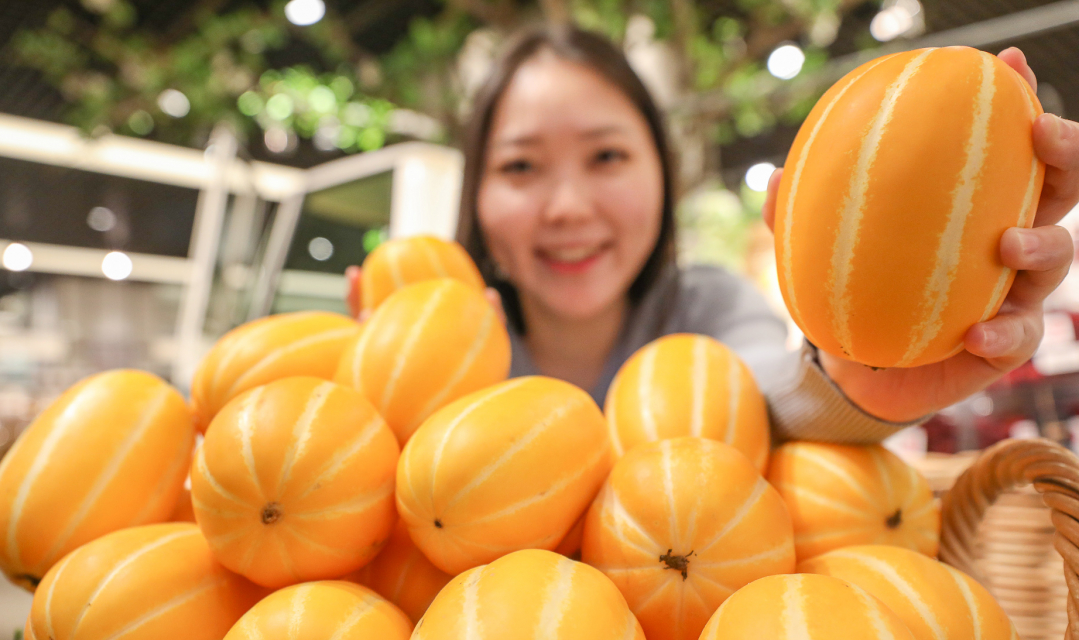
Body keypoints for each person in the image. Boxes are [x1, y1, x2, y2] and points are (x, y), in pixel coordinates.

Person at [348, 25, 1079, 443]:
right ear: (476, 190)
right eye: (519, 166)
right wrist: (371, 396)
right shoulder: (419, 318)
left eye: (606, 156)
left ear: (661, 175)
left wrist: (861, 383)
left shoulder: (708, 308)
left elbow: (769, 398)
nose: (566, 206)